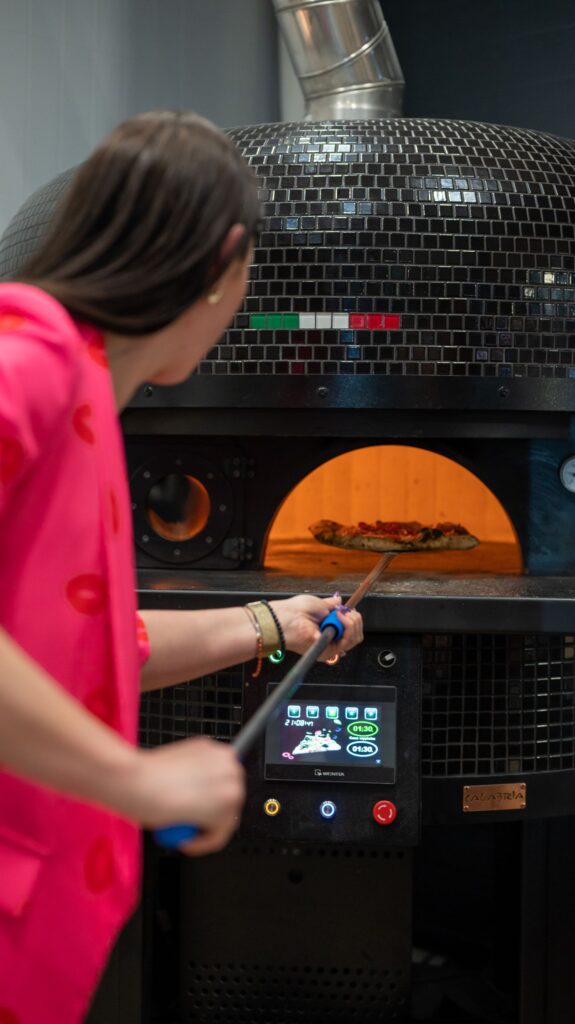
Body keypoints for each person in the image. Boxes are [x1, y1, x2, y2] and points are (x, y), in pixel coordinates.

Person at [0, 110, 363, 1023]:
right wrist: (134, 778)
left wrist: (270, 624)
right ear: (224, 262)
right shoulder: (27, 362)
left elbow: (84, 649)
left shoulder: (85, 393)